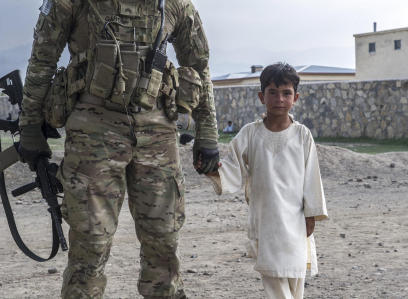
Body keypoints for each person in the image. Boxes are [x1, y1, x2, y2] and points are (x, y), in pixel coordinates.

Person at [18, 0, 219, 298]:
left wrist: (208, 133)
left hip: (158, 133)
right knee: (90, 242)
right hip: (92, 133)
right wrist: (30, 127)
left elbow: (199, 64)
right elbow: (42, 61)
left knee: (163, 239)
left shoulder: (174, 4)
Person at [202, 63, 328, 299]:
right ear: (262, 97)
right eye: (272, 92)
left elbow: (312, 176)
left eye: (286, 93)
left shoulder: (302, 135)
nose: (279, 99)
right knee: (274, 283)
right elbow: (231, 167)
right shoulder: (250, 134)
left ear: (296, 97)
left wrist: (312, 214)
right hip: (266, 219)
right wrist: (210, 170)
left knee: (294, 283)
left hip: (296, 221)